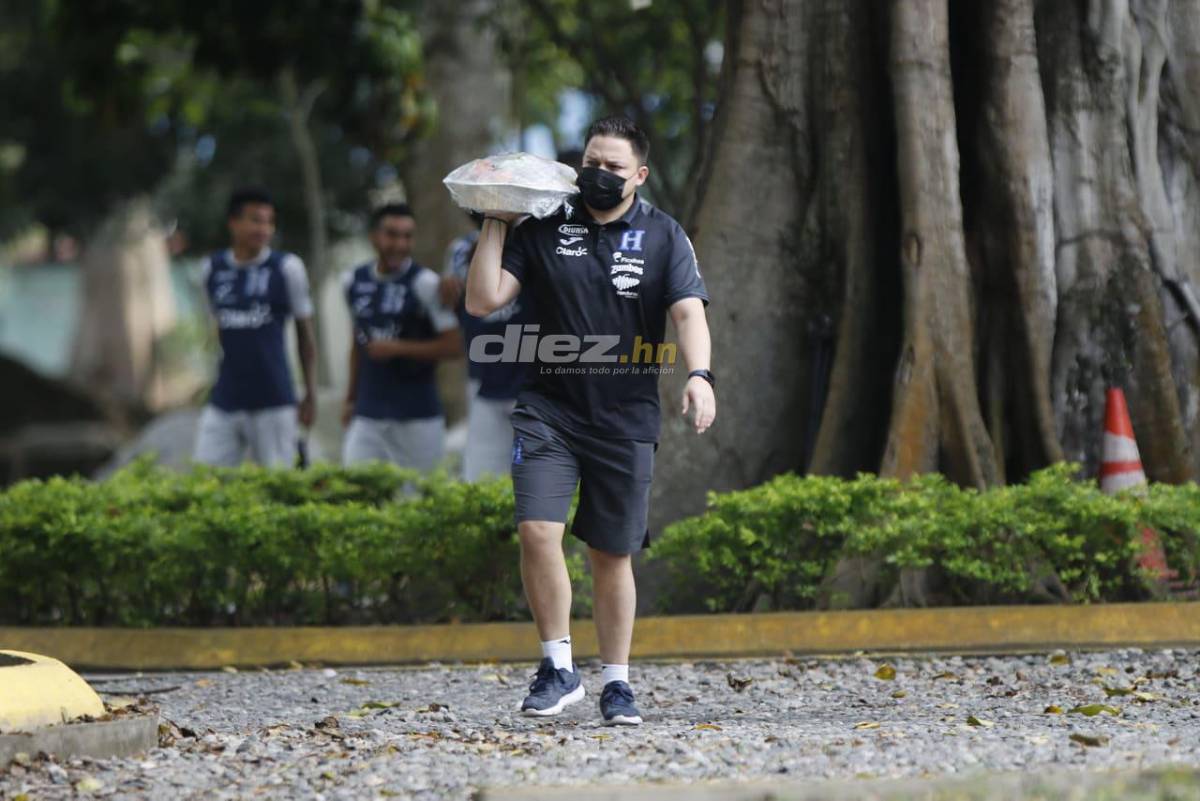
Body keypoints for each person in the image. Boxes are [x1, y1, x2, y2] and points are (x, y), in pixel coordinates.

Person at [466, 117, 716, 726]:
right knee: (536, 531)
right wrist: (497, 220)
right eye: (591, 163)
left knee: (612, 554)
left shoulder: (663, 235)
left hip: (625, 417)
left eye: (612, 167)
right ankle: (557, 667)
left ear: (639, 175)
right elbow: (482, 300)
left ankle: (618, 683)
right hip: (548, 409)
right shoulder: (547, 225)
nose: (598, 175)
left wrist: (700, 376)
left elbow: (686, 313)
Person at [194, 187, 316, 467]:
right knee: (204, 480)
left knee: (279, 487)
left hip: (275, 400)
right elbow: (215, 332)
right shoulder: (211, 269)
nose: (264, 229)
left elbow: (305, 336)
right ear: (233, 223)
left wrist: (309, 394)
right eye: (256, 220)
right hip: (225, 400)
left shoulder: (287, 268)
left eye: (269, 222)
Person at [341, 203, 461, 470]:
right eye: (392, 234)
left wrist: (398, 348)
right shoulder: (353, 281)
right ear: (374, 236)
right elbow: (356, 344)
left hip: (418, 415)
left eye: (407, 236)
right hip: (368, 413)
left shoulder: (426, 284)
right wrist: (350, 399)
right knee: (355, 489)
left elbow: (454, 346)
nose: (400, 244)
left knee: (418, 499)